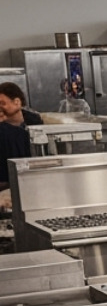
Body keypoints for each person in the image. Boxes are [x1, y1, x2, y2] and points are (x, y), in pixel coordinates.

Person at [0, 82, 44, 211]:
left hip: (33, 184)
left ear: (17, 102)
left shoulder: (35, 122)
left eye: (3, 103)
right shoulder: (3, 131)